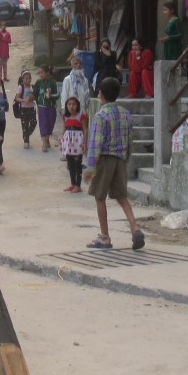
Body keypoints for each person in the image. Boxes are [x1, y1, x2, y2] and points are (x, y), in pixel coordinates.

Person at [83, 77, 145, 250]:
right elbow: (130, 139)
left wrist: (90, 167)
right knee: (121, 197)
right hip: (120, 159)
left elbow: (95, 143)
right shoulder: (125, 114)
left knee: (99, 196)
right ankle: (135, 228)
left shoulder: (101, 115)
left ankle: (104, 237)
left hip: (105, 159)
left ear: (101, 94)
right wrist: (126, 157)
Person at [60, 96, 88, 193]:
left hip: (78, 143)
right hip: (68, 143)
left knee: (77, 164)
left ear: (77, 105)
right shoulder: (65, 117)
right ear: (66, 105)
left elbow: (85, 129)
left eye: (74, 104)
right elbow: (64, 129)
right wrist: (62, 142)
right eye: (69, 104)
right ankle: (72, 183)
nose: (71, 106)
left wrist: (84, 143)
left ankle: (78, 185)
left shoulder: (81, 116)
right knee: (70, 164)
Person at [33, 65, 57, 153]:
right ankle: (44, 143)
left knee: (51, 123)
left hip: (51, 107)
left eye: (42, 73)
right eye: (39, 73)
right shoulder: (38, 82)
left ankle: (47, 140)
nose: (40, 75)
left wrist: (51, 96)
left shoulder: (53, 83)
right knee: (43, 124)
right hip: (42, 107)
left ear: (47, 73)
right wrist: (34, 99)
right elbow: (34, 92)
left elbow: (57, 95)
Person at [14, 70, 37, 149]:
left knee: (34, 123)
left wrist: (32, 98)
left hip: (31, 108)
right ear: (22, 79)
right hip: (24, 109)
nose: (28, 80)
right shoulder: (21, 87)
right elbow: (17, 98)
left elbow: (35, 97)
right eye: (26, 78)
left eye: (29, 78)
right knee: (25, 125)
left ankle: (26, 134)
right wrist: (24, 100)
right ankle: (26, 141)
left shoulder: (32, 87)